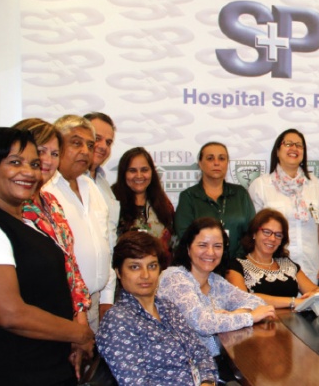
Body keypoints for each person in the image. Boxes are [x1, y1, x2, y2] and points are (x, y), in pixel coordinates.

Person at [0, 127, 95, 384]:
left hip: (50, 365)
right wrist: (79, 334)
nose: (29, 172)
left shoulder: (29, 221)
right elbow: (10, 313)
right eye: (15, 162)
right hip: (17, 370)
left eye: (34, 164)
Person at [98, 231, 218, 386]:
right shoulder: (118, 321)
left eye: (152, 266)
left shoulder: (167, 307)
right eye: (135, 267)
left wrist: (207, 382)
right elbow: (136, 382)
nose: (145, 275)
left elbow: (200, 352)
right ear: (118, 272)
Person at [157, 217, 275, 358]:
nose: (211, 252)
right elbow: (202, 323)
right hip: (181, 368)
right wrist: (249, 317)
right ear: (188, 248)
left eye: (217, 246)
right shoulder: (174, 278)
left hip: (215, 362)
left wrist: (234, 314)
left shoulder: (215, 281)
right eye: (202, 245)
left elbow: (257, 303)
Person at [13, 118, 92, 323]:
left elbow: (70, 264)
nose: (47, 160)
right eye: (41, 151)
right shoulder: (10, 207)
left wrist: (80, 319)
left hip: (68, 318)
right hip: (32, 322)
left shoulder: (52, 202)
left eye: (55, 154)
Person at [42, 114, 116, 329]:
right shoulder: (44, 190)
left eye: (89, 145)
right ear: (58, 145)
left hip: (94, 302)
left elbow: (105, 244)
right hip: (60, 307)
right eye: (76, 143)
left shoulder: (91, 187)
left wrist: (107, 298)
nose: (85, 150)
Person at [249, 129, 319, 283]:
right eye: (288, 144)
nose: (294, 148)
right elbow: (254, 232)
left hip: (311, 265)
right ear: (277, 151)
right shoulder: (261, 186)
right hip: (274, 266)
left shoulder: (314, 184)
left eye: (299, 145)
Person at [175, 142, 256, 261]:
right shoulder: (188, 197)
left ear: (227, 163)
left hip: (238, 265)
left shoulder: (240, 194)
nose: (216, 163)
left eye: (222, 158)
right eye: (210, 158)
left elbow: (251, 233)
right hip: (201, 265)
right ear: (200, 163)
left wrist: (236, 261)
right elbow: (185, 236)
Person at [226, 209, 319, 309]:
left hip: (294, 323)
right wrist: (294, 301)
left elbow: (314, 290)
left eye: (278, 235)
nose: (272, 239)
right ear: (254, 233)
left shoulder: (288, 264)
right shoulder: (235, 266)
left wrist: (318, 294)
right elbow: (244, 299)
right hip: (257, 323)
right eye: (267, 232)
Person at [112, 147, 175, 263]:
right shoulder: (111, 201)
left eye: (144, 170)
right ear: (123, 173)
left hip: (160, 275)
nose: (139, 176)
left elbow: (174, 241)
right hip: (125, 276)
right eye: (132, 170)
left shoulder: (163, 203)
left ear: (152, 172)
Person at [83, 112, 119, 226]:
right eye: (97, 138)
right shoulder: (67, 181)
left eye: (108, 142)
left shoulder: (104, 184)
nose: (103, 146)